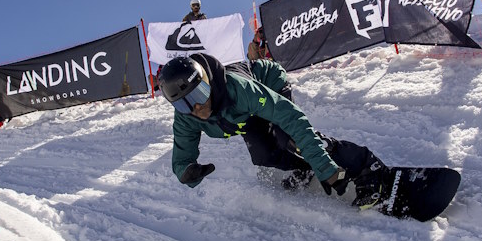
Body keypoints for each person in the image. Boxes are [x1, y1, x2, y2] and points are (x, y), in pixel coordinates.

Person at [156, 53, 395, 206]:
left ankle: (367, 167)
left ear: (207, 81)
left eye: (199, 94)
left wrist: (324, 167)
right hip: (244, 115)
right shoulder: (186, 119)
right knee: (264, 155)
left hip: (267, 83)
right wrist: (186, 171)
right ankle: (303, 168)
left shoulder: (237, 89)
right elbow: (182, 157)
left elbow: (292, 118)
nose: (197, 107)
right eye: (183, 103)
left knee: (289, 137)